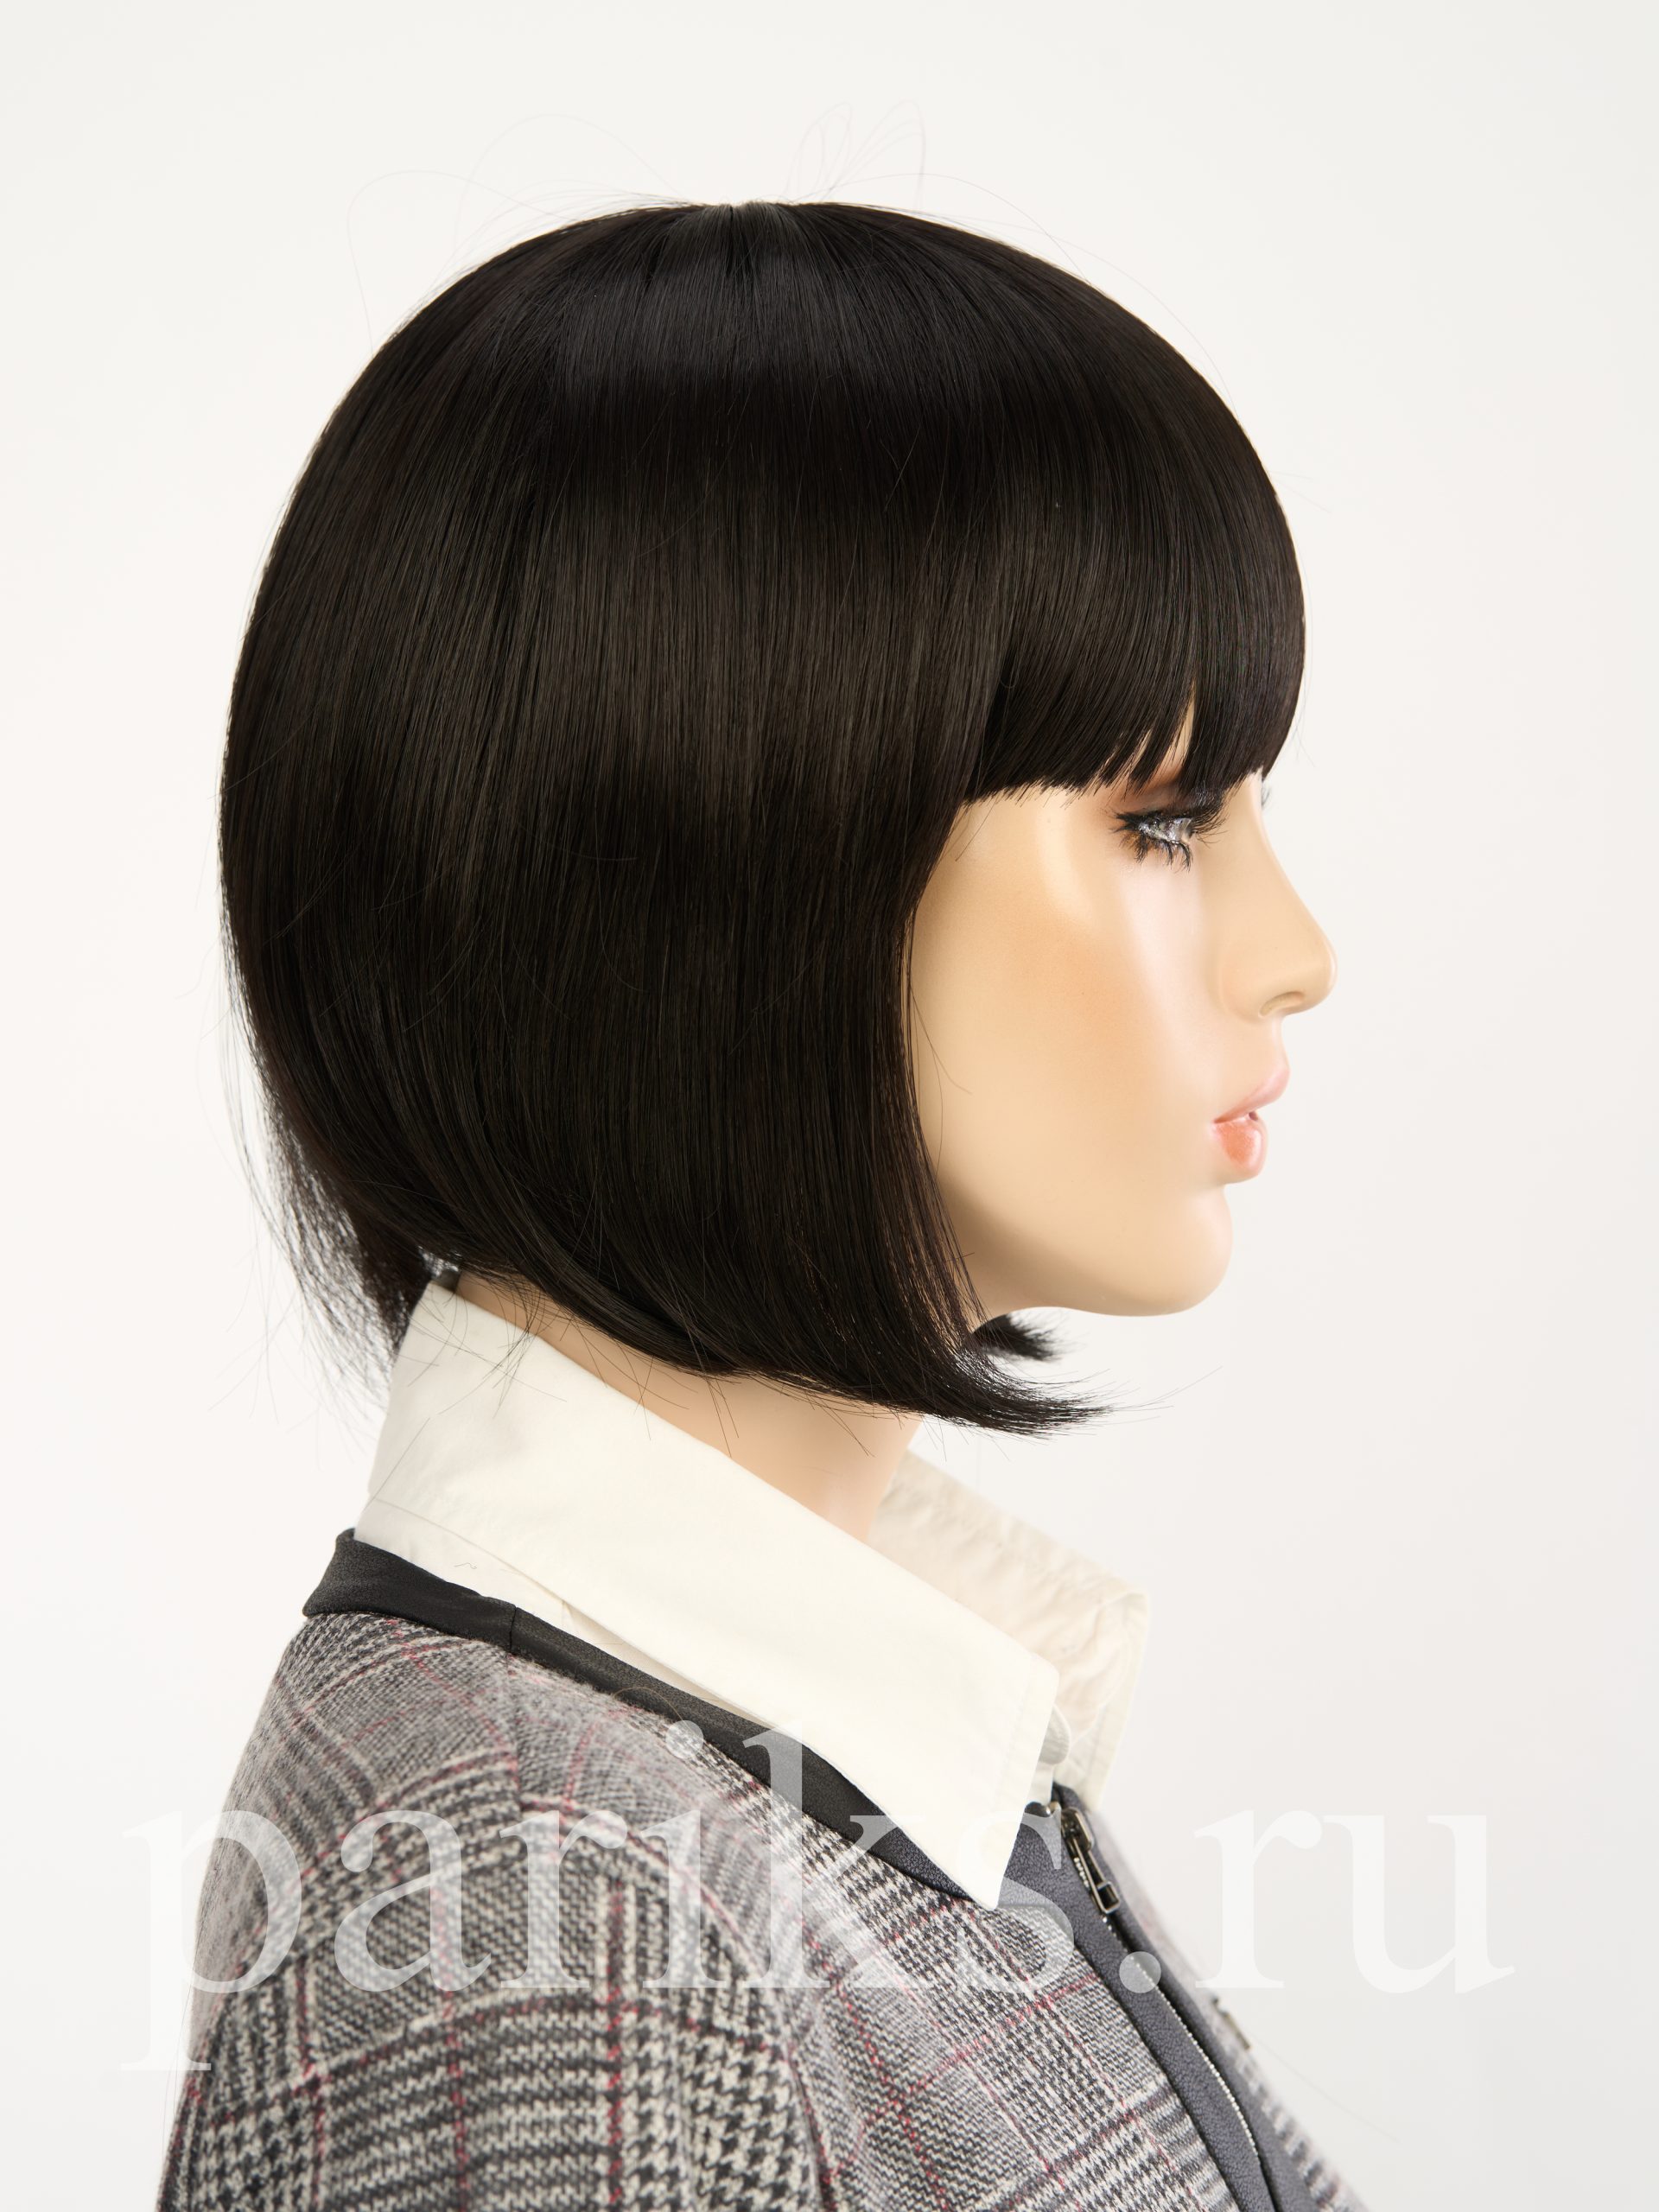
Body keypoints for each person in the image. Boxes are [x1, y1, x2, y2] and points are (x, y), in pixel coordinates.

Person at [158, 198, 1364, 2211]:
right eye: (1161, 820)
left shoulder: (777, 1756)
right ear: (740, 860)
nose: (1294, 949)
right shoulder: (558, 1926)